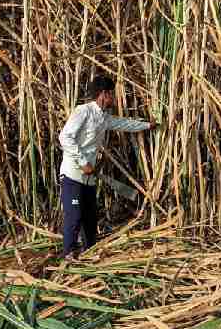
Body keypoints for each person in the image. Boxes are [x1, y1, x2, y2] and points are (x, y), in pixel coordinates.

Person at [58, 76, 155, 258]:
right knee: (75, 214)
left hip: (89, 178)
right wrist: (82, 162)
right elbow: (65, 137)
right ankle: (68, 254)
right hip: (72, 175)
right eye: (111, 94)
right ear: (104, 94)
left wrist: (147, 125)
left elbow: (123, 124)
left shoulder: (103, 117)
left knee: (90, 217)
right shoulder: (83, 111)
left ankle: (89, 252)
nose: (113, 98)